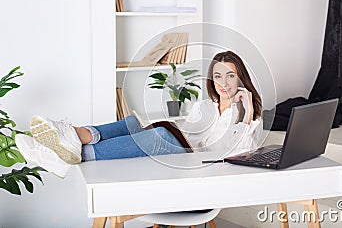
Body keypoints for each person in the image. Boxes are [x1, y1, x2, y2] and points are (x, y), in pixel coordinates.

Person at [16, 50, 263, 177]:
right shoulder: (204, 106)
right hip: (184, 152)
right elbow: (188, 134)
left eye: (230, 75)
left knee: (160, 138)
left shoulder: (251, 118)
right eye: (218, 75)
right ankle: (69, 140)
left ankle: (64, 148)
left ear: (240, 77)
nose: (223, 82)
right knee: (133, 123)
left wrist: (248, 112)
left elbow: (243, 154)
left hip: (200, 166)